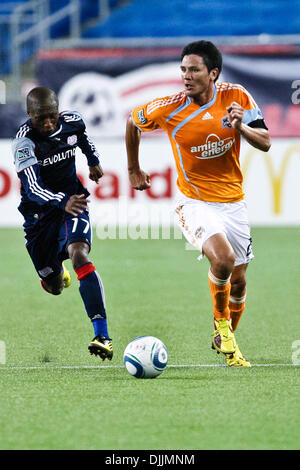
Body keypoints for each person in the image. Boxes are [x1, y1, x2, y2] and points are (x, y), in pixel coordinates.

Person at [125, 40, 271, 367]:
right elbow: (133, 122)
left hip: (233, 202)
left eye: (194, 69)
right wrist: (133, 169)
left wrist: (240, 126)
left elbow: (265, 142)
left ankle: (225, 340)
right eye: (183, 69)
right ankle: (221, 326)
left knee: (240, 279)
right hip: (193, 202)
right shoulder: (170, 107)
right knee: (224, 260)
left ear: (213, 73)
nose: (186, 76)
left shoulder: (237, 97)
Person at [12, 86, 113, 361]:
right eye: (40, 118)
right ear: (29, 115)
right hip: (39, 216)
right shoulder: (24, 142)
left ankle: (102, 335)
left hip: (74, 201)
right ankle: (58, 274)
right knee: (54, 286)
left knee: (79, 253)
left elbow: (83, 138)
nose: (47, 123)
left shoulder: (72, 121)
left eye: (52, 116)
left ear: (59, 111)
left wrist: (93, 161)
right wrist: (60, 200)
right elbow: (32, 187)